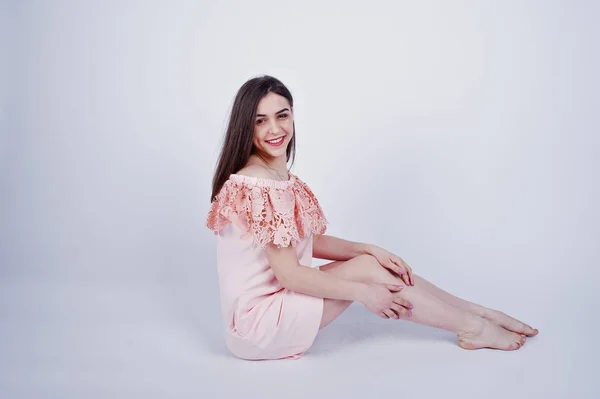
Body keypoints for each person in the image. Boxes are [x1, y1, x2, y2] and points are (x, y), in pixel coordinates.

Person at [206, 75, 539, 361]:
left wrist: (366, 248)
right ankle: (473, 327)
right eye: (260, 120)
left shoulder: (271, 176)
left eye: (282, 115)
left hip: (269, 310)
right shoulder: (258, 183)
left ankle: (474, 312)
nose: (275, 129)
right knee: (368, 274)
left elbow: (301, 240)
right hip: (258, 326)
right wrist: (363, 293)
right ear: (245, 126)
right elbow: (290, 275)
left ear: (293, 116)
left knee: (369, 263)